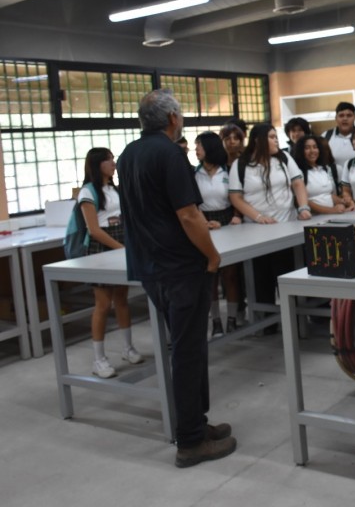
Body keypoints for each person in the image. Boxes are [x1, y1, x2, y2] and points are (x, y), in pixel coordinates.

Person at [117, 88, 236, 468]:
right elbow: (188, 215)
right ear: (172, 119)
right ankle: (189, 442)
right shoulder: (170, 154)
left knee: (187, 348)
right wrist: (213, 255)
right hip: (181, 268)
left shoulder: (127, 155)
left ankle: (197, 425)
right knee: (187, 352)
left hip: (150, 267)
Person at [228, 123, 312, 308]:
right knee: (261, 277)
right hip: (256, 231)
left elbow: (298, 184)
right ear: (258, 140)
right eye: (272, 137)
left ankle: (296, 319)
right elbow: (236, 197)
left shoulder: (283, 158)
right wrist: (258, 217)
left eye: (276, 137)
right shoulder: (241, 164)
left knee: (289, 273)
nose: (276, 140)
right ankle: (266, 321)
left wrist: (303, 207)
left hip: (287, 226)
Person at [79, 148, 143, 379]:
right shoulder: (88, 191)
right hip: (102, 246)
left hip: (121, 240)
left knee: (122, 300)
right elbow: (94, 230)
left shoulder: (114, 189)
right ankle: (99, 359)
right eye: (109, 159)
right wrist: (122, 249)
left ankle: (128, 348)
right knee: (103, 304)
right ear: (97, 164)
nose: (113, 163)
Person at [194, 132, 242, 338]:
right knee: (210, 275)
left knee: (230, 274)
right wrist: (203, 222)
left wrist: (237, 215)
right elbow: (191, 204)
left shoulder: (229, 171)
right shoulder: (193, 174)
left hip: (228, 221)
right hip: (204, 222)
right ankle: (216, 322)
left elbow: (238, 197)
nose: (196, 150)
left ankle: (232, 319)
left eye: (199, 146)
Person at [293, 134, 354, 214]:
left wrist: (344, 202)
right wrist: (331, 210)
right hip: (311, 219)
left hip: (330, 217)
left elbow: (326, 196)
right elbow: (300, 201)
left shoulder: (323, 169)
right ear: (300, 151)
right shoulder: (298, 172)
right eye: (307, 148)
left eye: (315, 147)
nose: (312, 151)